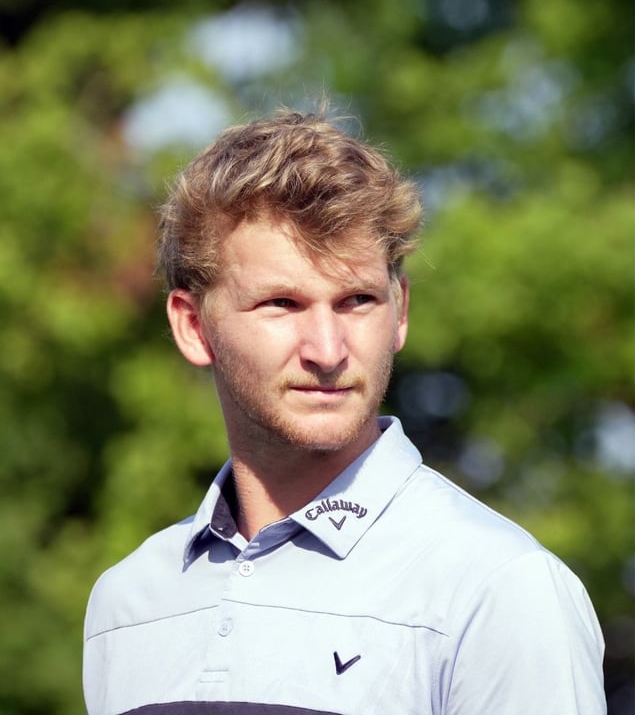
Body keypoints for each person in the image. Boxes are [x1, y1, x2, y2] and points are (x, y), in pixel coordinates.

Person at [83, 110, 607, 715]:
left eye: (357, 300)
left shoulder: (501, 589)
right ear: (193, 325)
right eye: (282, 304)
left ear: (401, 310)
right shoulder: (125, 604)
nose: (328, 351)